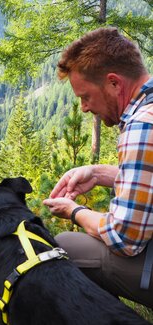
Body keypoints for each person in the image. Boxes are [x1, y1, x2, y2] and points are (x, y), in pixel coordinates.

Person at [43, 27, 153, 309]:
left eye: (85, 96)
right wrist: (97, 173)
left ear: (114, 83)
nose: (83, 107)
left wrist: (75, 212)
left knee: (67, 246)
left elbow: (123, 238)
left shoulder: (142, 125)